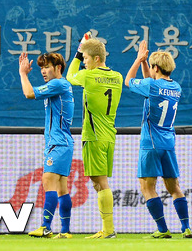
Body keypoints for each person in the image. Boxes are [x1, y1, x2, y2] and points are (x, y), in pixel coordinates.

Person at [125, 40, 192, 239]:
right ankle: (186, 227)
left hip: (151, 143)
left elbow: (128, 81)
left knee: (147, 186)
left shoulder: (152, 86)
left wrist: (138, 60)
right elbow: (151, 82)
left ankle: (163, 229)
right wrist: (146, 62)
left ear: (156, 68)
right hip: (168, 143)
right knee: (174, 187)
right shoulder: (176, 87)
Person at [66, 34, 123, 239]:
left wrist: (77, 53)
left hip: (93, 135)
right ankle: (106, 229)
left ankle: (108, 230)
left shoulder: (88, 76)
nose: (84, 63)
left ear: (96, 59)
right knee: (98, 182)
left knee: (101, 182)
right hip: (109, 135)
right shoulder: (118, 77)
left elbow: (69, 76)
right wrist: (85, 50)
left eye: (86, 59)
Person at [19, 52, 74, 239]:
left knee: (48, 180)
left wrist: (23, 74)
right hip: (62, 143)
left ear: (58, 68)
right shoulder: (60, 85)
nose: (43, 71)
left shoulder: (58, 84)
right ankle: (65, 231)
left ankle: (45, 227)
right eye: (41, 68)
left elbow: (29, 93)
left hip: (58, 143)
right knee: (62, 188)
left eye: (47, 67)